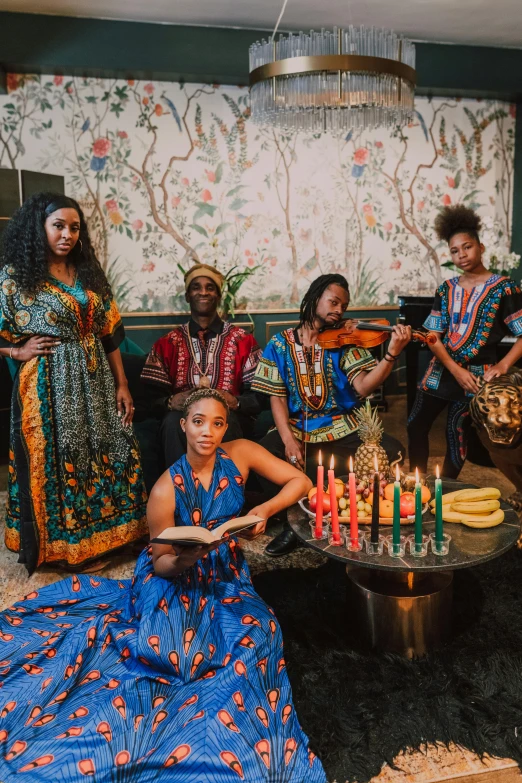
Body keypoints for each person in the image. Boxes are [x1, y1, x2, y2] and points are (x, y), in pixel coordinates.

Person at [0, 389, 326, 783]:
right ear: (184, 426)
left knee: (261, 632)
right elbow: (162, 561)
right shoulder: (164, 489)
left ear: (225, 427)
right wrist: (185, 559)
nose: (208, 431)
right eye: (199, 421)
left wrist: (264, 509)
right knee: (179, 654)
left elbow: (300, 480)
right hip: (171, 574)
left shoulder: (240, 453)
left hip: (225, 573)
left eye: (217, 423)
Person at [0, 192, 147, 574]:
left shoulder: (89, 274)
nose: (67, 234)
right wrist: (15, 352)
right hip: (49, 386)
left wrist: (123, 384)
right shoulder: (15, 277)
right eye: (58, 226)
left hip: (98, 379)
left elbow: (110, 333)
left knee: (114, 449)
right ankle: (68, 550)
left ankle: (114, 539)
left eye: (74, 227)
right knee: (63, 461)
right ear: (40, 228)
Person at [252, 273, 411, 556]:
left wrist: (392, 354)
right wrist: (288, 440)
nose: (339, 311)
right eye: (334, 302)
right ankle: (299, 518)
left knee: (390, 451)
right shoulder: (279, 344)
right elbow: (277, 398)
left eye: (343, 306)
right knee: (266, 453)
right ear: (314, 297)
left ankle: (315, 513)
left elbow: (363, 386)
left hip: (342, 427)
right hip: (297, 428)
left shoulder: (344, 341)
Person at [407, 205, 522, 479]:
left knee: (456, 436)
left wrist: (505, 365)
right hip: (440, 372)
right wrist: (455, 370)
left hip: (477, 379)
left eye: (467, 247)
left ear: (481, 247)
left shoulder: (506, 288)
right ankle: (417, 482)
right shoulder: (446, 289)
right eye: (455, 251)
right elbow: (432, 336)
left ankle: (444, 490)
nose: (461, 255)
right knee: (415, 425)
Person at [141, 262, 262, 467]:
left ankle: (223, 495)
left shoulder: (243, 341)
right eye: (196, 287)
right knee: (172, 422)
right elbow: (147, 401)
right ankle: (180, 492)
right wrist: (170, 402)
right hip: (182, 419)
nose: (203, 292)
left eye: (210, 287)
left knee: (226, 423)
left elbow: (261, 397)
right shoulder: (167, 343)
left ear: (218, 295)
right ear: (188, 296)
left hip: (228, 418)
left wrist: (236, 402)